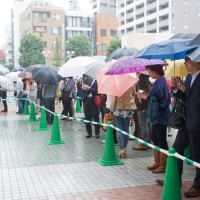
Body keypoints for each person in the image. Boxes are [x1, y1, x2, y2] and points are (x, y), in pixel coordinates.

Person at [157, 57, 200, 198]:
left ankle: (198, 186)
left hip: (197, 124)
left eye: (187, 61)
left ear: (196, 61)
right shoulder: (188, 78)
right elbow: (187, 98)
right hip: (186, 123)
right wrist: (175, 89)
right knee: (175, 150)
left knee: (198, 156)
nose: (185, 64)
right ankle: (175, 179)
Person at [137, 65, 170, 173]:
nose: (149, 74)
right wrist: (147, 95)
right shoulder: (159, 81)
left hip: (160, 116)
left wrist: (145, 97)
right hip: (156, 116)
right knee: (156, 139)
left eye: (149, 71)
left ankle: (162, 165)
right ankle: (157, 162)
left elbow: (160, 101)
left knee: (161, 141)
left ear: (154, 71)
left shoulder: (160, 82)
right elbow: (156, 97)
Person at [113, 85, 136, 158]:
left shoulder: (116, 83)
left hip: (118, 107)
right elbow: (133, 94)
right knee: (126, 129)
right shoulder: (131, 83)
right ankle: (124, 148)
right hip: (128, 107)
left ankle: (121, 148)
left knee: (119, 129)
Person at [133, 72, 151, 150]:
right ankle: (148, 142)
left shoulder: (141, 81)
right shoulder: (146, 80)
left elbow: (142, 94)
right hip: (146, 106)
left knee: (143, 125)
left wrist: (143, 106)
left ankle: (144, 143)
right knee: (147, 124)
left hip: (142, 106)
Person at [81, 74, 100, 139]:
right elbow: (83, 90)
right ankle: (89, 132)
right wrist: (83, 87)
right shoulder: (87, 80)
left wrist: (89, 88)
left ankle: (97, 133)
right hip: (86, 100)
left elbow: (98, 92)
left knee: (95, 117)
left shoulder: (98, 81)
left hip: (94, 100)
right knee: (87, 117)